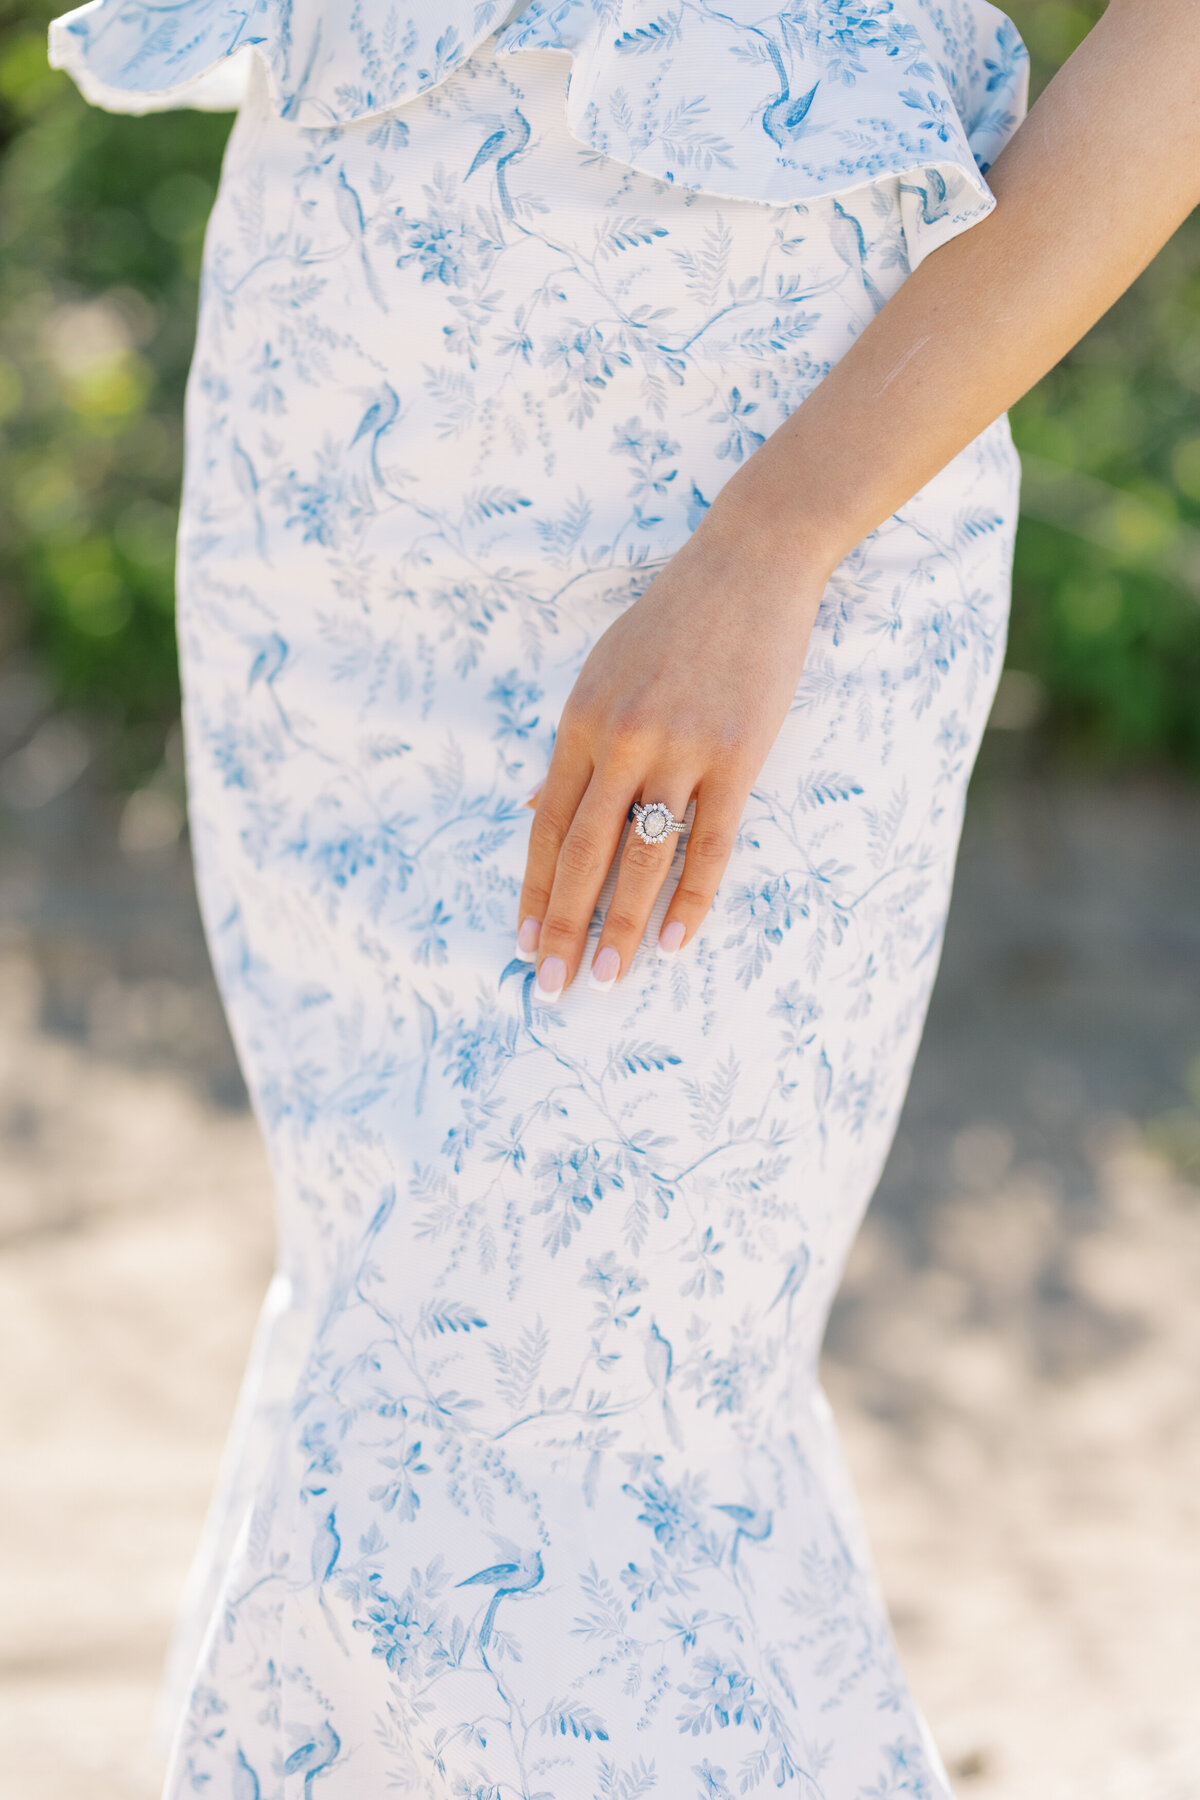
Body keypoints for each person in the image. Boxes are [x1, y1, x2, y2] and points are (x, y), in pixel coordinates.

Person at [46, 0, 1200, 1795]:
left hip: (789, 459)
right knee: (434, 1362)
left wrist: (777, 540)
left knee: (529, 1397)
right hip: (334, 443)